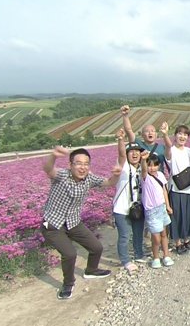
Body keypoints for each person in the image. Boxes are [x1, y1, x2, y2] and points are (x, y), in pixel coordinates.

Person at [41, 146, 120, 300]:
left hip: (73, 222)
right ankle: (68, 283)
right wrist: (53, 156)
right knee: (70, 253)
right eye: (78, 163)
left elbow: (109, 182)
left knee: (96, 247)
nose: (82, 167)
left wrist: (116, 175)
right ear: (70, 165)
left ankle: (91, 270)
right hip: (53, 224)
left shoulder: (89, 179)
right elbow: (49, 169)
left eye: (86, 164)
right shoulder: (62, 175)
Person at [113, 129, 146, 275]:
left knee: (138, 232)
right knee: (125, 236)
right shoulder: (124, 166)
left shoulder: (140, 168)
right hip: (122, 208)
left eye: (137, 151)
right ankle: (126, 260)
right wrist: (121, 139)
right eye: (131, 151)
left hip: (137, 207)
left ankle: (139, 254)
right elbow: (121, 154)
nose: (134, 154)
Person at [164, 124, 190, 254]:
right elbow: (167, 148)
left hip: (189, 188)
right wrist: (165, 134)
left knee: (188, 215)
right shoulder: (171, 150)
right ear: (175, 135)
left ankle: (186, 240)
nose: (182, 136)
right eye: (179, 133)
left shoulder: (189, 151)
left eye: (185, 134)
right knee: (177, 216)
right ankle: (178, 243)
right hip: (176, 189)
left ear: (188, 137)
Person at [140, 152, 174, 268]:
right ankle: (155, 257)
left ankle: (166, 255)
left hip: (162, 208)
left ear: (159, 165)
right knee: (156, 237)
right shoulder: (145, 177)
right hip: (152, 211)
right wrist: (144, 160)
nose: (152, 168)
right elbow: (144, 170)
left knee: (164, 234)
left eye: (155, 165)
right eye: (150, 165)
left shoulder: (160, 175)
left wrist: (168, 206)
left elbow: (164, 190)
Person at [121, 105, 167, 172]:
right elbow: (128, 130)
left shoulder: (162, 147)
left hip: (157, 179)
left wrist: (165, 134)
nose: (150, 133)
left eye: (152, 131)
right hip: (142, 179)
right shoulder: (138, 144)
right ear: (142, 135)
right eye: (147, 131)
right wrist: (125, 116)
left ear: (156, 135)